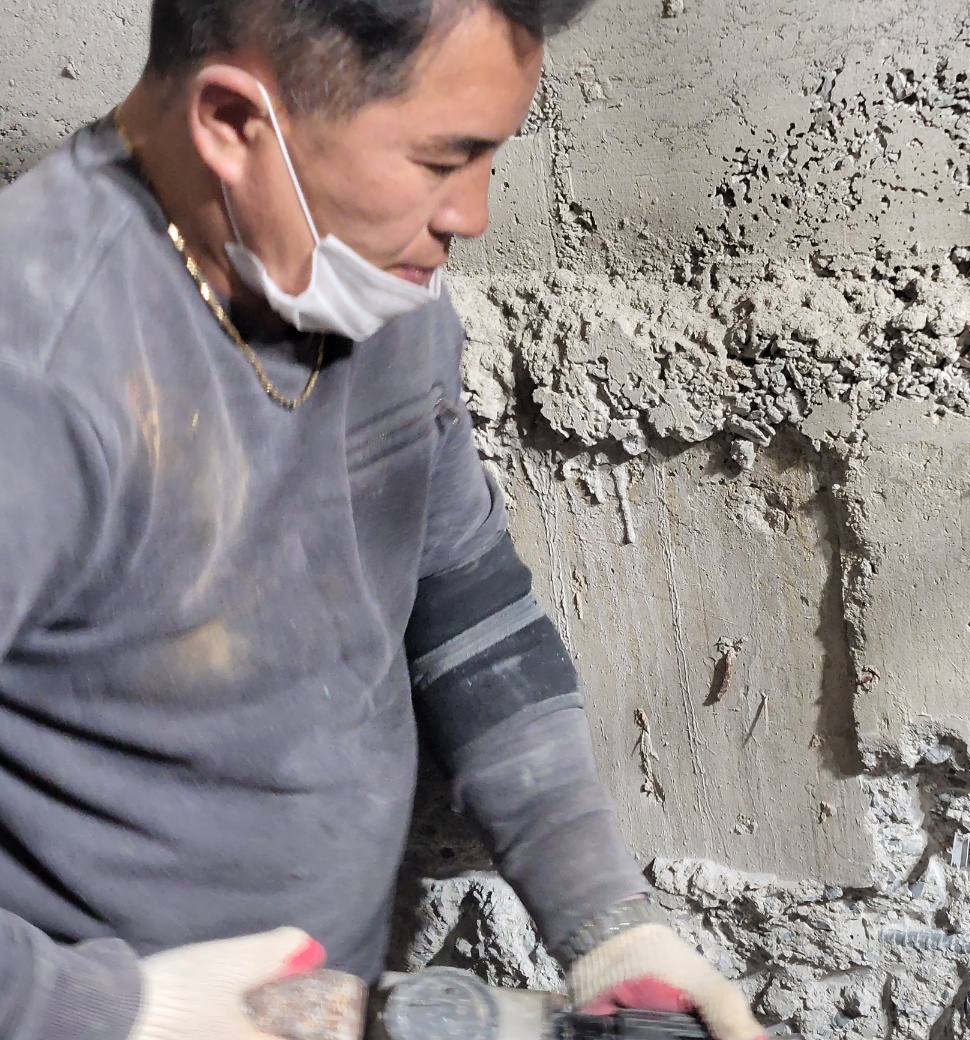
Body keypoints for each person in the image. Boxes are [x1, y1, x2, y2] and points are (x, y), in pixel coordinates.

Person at [0, 1, 764, 1039]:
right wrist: (119, 1008)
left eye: (490, 157)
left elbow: (463, 597)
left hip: (323, 1001)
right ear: (233, 120)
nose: (473, 215)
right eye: (441, 160)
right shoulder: (38, 367)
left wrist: (606, 919)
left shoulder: (365, 282)